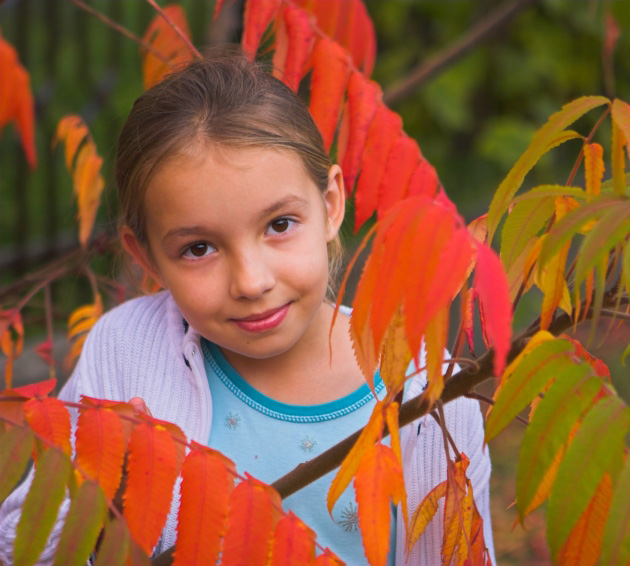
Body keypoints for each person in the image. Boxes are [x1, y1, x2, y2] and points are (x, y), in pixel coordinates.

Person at [0, 54, 494, 565]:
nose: (251, 282)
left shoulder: (425, 390)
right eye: (198, 249)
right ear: (145, 256)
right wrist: (101, 485)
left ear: (329, 206)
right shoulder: (127, 350)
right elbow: (21, 547)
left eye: (279, 225)